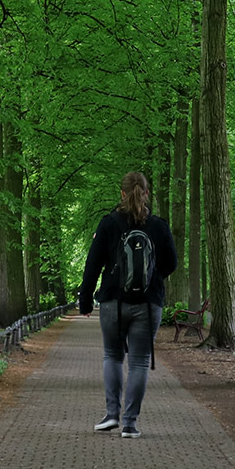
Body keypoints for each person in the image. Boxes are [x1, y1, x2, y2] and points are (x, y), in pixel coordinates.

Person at [77, 170, 178, 438]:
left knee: (112, 355)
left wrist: (85, 300)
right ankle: (130, 424)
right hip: (148, 304)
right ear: (146, 193)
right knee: (140, 362)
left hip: (113, 302)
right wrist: (153, 276)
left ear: (121, 194)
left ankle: (112, 415)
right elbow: (172, 263)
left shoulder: (109, 223)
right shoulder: (159, 226)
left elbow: (93, 265)